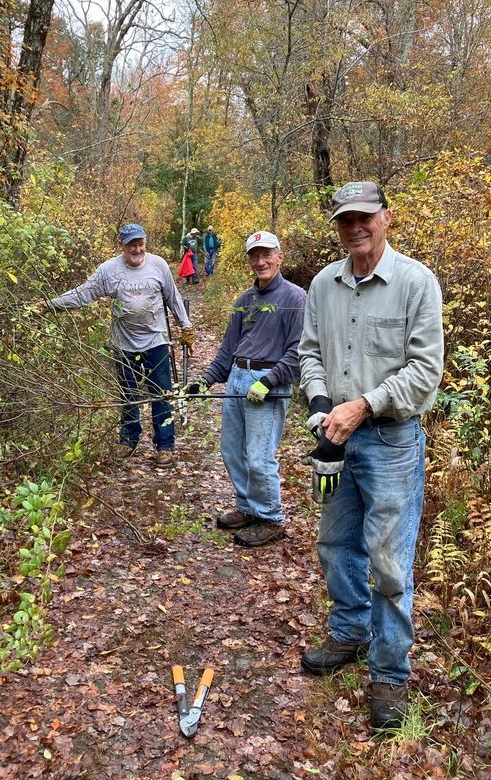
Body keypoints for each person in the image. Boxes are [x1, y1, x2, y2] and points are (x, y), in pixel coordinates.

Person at [298, 181, 444, 731]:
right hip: (336, 438)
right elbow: (309, 351)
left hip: (391, 441)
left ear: (385, 217)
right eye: (344, 220)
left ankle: (389, 671)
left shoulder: (415, 283)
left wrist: (364, 405)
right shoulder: (322, 285)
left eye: (364, 217)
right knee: (335, 544)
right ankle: (350, 632)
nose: (354, 227)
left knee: (388, 559)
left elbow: (426, 370)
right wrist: (320, 405)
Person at [185, 231, 306, 547]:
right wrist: (205, 380)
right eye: (255, 255)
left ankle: (271, 518)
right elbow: (228, 350)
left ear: (280, 256)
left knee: (258, 456)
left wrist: (268, 382)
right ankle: (248, 507)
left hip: (268, 382)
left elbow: (298, 352)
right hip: (238, 379)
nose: (261, 261)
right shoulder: (245, 301)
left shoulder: (295, 299)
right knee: (231, 451)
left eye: (267, 254)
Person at [42, 223, 194, 470]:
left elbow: (173, 298)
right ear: (122, 245)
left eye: (140, 243)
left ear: (145, 242)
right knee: (128, 395)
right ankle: (129, 439)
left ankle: (165, 446)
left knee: (161, 394)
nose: (137, 248)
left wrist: (186, 327)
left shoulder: (158, 266)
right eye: (132, 244)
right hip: (124, 344)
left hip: (156, 341)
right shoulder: (109, 271)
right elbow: (83, 293)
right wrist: (50, 305)